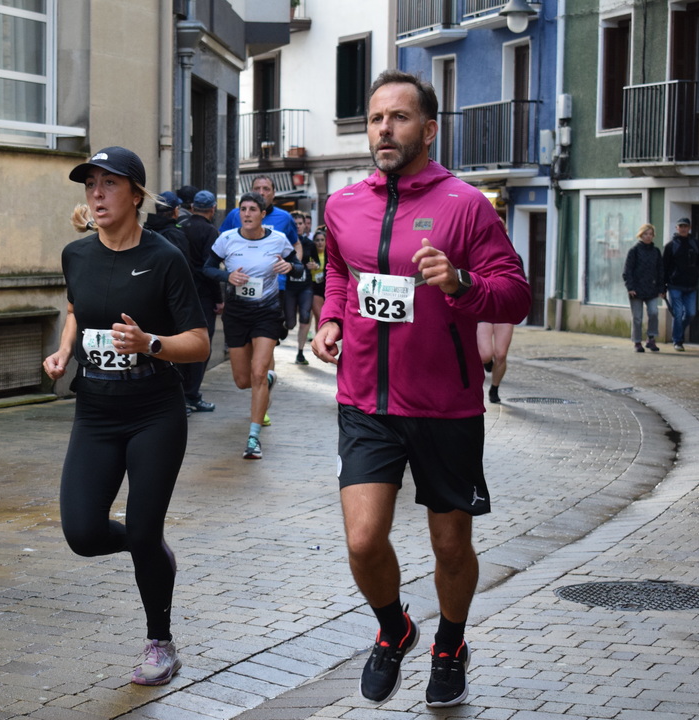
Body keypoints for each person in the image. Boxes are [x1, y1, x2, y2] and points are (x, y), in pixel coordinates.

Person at [311, 70, 530, 708]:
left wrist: (461, 283)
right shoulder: (342, 205)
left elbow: (515, 295)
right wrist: (331, 318)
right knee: (362, 540)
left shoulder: (465, 205)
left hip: (444, 407)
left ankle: (450, 644)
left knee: (450, 545)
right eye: (376, 118)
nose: (384, 129)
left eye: (399, 117)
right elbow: (339, 270)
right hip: (365, 402)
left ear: (429, 130)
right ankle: (395, 628)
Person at [43, 146, 209, 686]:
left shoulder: (165, 257)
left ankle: (160, 643)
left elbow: (200, 342)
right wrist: (64, 351)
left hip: (153, 412)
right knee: (82, 532)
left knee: (142, 525)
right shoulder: (76, 255)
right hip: (95, 409)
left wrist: (150, 342)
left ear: (136, 195)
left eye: (109, 184)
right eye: (90, 184)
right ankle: (150, 547)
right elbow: (76, 310)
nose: (96, 194)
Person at [204, 191, 302, 460]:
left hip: (267, 313)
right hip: (236, 315)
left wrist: (289, 267)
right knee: (242, 380)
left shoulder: (278, 239)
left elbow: (298, 266)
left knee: (258, 372)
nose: (246, 214)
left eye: (252, 209)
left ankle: (253, 439)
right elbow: (207, 268)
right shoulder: (226, 239)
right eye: (243, 209)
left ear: (263, 214)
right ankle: (269, 379)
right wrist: (227, 275)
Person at [175, 189, 224, 413]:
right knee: (200, 346)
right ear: (212, 209)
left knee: (179, 343)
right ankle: (192, 395)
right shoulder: (210, 231)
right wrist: (218, 299)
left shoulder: (181, 226)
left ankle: (179, 394)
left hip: (180, 295)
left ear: (193, 207)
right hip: (202, 296)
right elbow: (209, 269)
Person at [623, 223, 664, 353]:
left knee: (653, 312)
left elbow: (660, 271)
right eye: (645, 234)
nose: (648, 236)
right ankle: (637, 342)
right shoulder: (634, 251)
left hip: (651, 288)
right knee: (637, 317)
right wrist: (630, 287)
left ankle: (651, 338)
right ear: (641, 235)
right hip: (636, 290)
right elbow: (627, 271)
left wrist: (662, 288)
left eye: (650, 234)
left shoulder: (656, 251)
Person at [285, 211, 316, 365]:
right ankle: (283, 328)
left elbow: (317, 262)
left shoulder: (310, 244)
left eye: (300, 223)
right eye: (294, 224)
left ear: (305, 226)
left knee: (305, 317)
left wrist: (314, 265)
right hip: (289, 287)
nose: (297, 226)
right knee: (290, 323)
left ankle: (300, 352)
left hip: (306, 286)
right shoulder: (284, 242)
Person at [662, 217, 697, 351]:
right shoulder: (670, 246)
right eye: (681, 226)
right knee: (677, 313)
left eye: (685, 226)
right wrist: (662, 287)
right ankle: (678, 340)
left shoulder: (695, 244)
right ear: (676, 228)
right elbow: (664, 267)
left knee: (691, 313)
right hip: (675, 285)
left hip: (691, 286)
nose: (683, 229)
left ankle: (678, 332)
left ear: (689, 228)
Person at [477, 322, 514, 403]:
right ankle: (488, 361)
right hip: (484, 315)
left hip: (503, 315)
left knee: (501, 355)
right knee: (485, 356)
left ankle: (494, 388)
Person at [307, 226, 327, 331]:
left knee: (326, 318)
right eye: (317, 240)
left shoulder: (330, 255)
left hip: (327, 287)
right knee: (319, 317)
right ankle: (319, 338)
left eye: (322, 240)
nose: (320, 243)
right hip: (315, 287)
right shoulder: (310, 255)